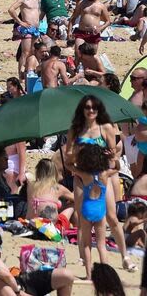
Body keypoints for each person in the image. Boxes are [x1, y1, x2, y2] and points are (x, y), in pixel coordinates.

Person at [64, 94, 132, 272]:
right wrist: (78, 151)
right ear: (82, 109)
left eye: (94, 107)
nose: (91, 110)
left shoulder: (106, 127)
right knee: (82, 219)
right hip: (82, 176)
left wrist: (109, 156)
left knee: (112, 217)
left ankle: (124, 255)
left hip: (102, 176)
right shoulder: (76, 129)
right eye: (87, 107)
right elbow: (67, 157)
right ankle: (83, 258)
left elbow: (114, 153)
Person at [26, 158, 73, 222]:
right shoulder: (57, 188)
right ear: (54, 172)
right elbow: (76, 198)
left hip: (30, 223)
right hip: (50, 228)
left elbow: (27, 176)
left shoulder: (31, 186)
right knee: (73, 204)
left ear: (38, 171)